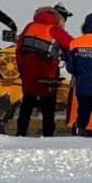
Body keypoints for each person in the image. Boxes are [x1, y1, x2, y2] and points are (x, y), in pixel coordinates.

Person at [14, 7, 73, 137]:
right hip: (47, 73)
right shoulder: (54, 29)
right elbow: (71, 44)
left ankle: (21, 132)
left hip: (28, 72)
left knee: (27, 102)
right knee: (48, 105)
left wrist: (22, 68)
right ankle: (48, 134)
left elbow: (19, 49)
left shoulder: (29, 27)